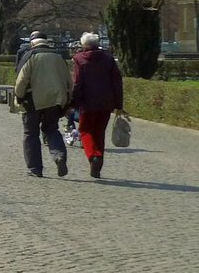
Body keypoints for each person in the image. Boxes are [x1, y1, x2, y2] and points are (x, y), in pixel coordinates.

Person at [14, 36, 71, 177]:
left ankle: (35, 168)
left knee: (30, 133)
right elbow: (69, 81)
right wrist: (67, 100)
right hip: (55, 101)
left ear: (32, 44)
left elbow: (22, 79)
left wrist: (19, 96)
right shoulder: (58, 57)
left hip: (32, 100)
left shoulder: (30, 56)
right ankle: (59, 156)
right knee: (52, 129)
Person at [70, 32, 125, 178]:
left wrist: (73, 103)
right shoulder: (108, 59)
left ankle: (93, 156)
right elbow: (117, 82)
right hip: (106, 103)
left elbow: (77, 83)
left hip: (87, 103)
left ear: (83, 45)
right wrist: (119, 104)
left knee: (85, 130)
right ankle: (99, 157)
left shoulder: (79, 59)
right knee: (99, 132)